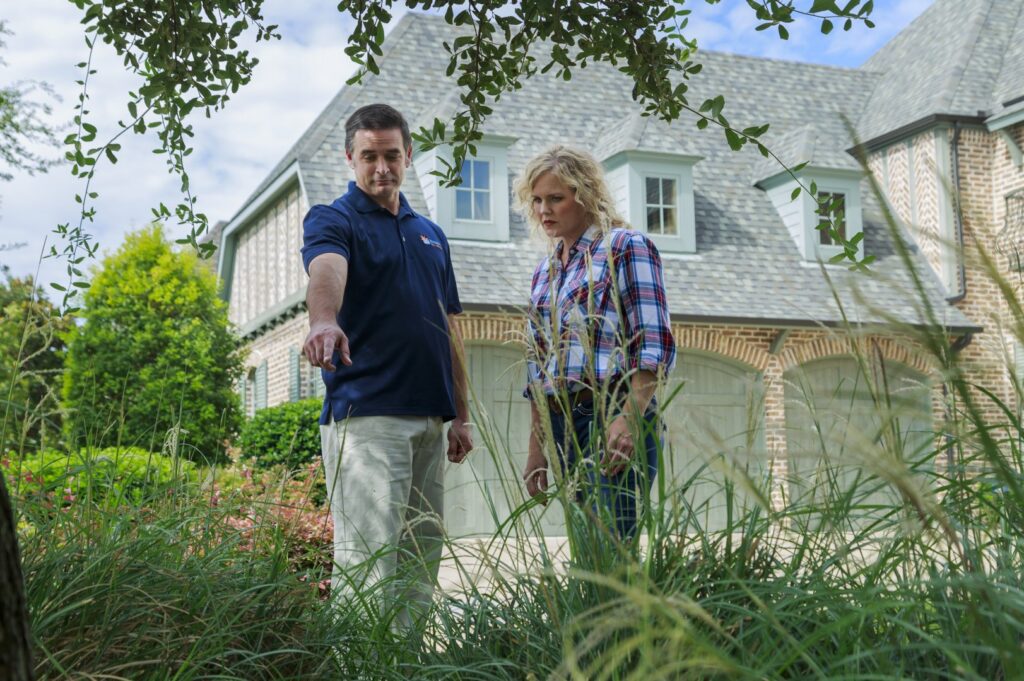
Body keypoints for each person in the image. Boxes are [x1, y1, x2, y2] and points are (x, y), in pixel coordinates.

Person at [300, 103, 473, 628]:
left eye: (392, 156)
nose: (382, 168)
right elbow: (326, 270)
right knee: (368, 562)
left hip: (430, 420)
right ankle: (358, 664)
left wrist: (461, 415)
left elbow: (449, 329)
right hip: (369, 419)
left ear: (409, 155)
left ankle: (405, 662)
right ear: (350, 157)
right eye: (369, 156)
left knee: (421, 561)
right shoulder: (334, 219)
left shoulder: (431, 234)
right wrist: (323, 320)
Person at [517, 145, 676, 541]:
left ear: (585, 194)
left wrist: (628, 419)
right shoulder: (545, 272)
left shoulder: (625, 246)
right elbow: (539, 367)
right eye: (536, 200)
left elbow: (652, 344)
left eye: (556, 198)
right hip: (562, 424)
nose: (544, 210)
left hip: (612, 412)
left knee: (613, 547)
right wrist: (537, 448)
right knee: (586, 554)